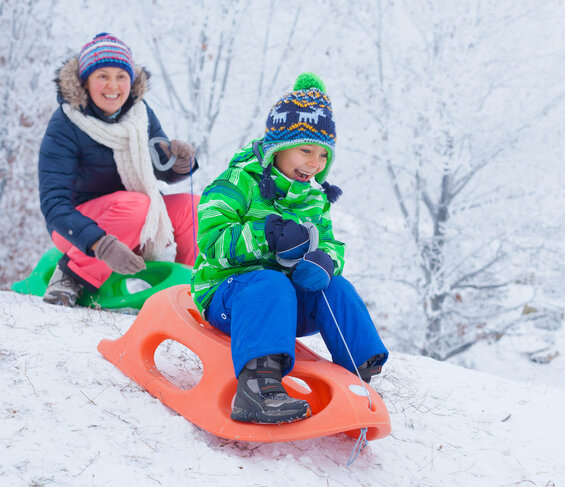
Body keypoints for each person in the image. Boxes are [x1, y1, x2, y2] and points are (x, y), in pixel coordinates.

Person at [191, 72, 388, 424]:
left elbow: (330, 243)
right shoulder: (238, 182)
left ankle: (359, 375)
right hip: (229, 297)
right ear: (278, 145)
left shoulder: (314, 197)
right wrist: (265, 234)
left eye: (324, 155)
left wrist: (326, 261)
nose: (315, 164)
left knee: (337, 287)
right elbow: (209, 242)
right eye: (306, 150)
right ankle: (256, 387)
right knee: (270, 282)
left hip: (283, 308)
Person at [38, 33, 200, 306]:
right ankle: (70, 277)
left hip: (137, 220)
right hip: (78, 231)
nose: (113, 85)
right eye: (102, 75)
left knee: (194, 207)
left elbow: (160, 168)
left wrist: (180, 163)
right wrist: (100, 243)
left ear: (131, 80)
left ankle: (190, 288)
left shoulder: (140, 114)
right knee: (137, 205)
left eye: (121, 76)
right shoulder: (65, 124)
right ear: (84, 81)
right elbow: (54, 205)